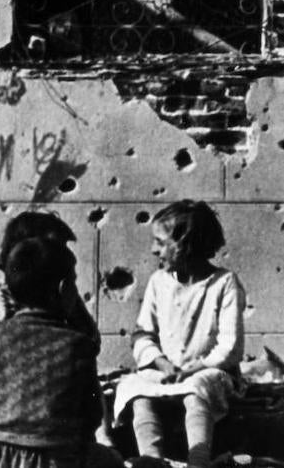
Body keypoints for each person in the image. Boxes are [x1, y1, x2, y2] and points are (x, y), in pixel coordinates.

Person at [0, 237, 115, 468]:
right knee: (112, 461)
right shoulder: (79, 345)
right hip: (59, 459)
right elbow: (93, 415)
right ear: (62, 288)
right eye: (74, 283)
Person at [113, 200, 246, 468]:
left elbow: (230, 345)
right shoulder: (158, 282)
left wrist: (197, 367)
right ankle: (152, 459)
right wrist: (162, 363)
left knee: (197, 390)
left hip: (209, 371)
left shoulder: (224, 283)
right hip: (167, 370)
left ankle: (198, 460)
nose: (153, 250)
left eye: (160, 243)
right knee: (134, 388)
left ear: (186, 244)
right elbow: (142, 334)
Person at [0, 211, 97, 341]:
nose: (64, 253)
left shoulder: (59, 287)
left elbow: (91, 337)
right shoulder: (2, 293)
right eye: (56, 247)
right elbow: (11, 344)